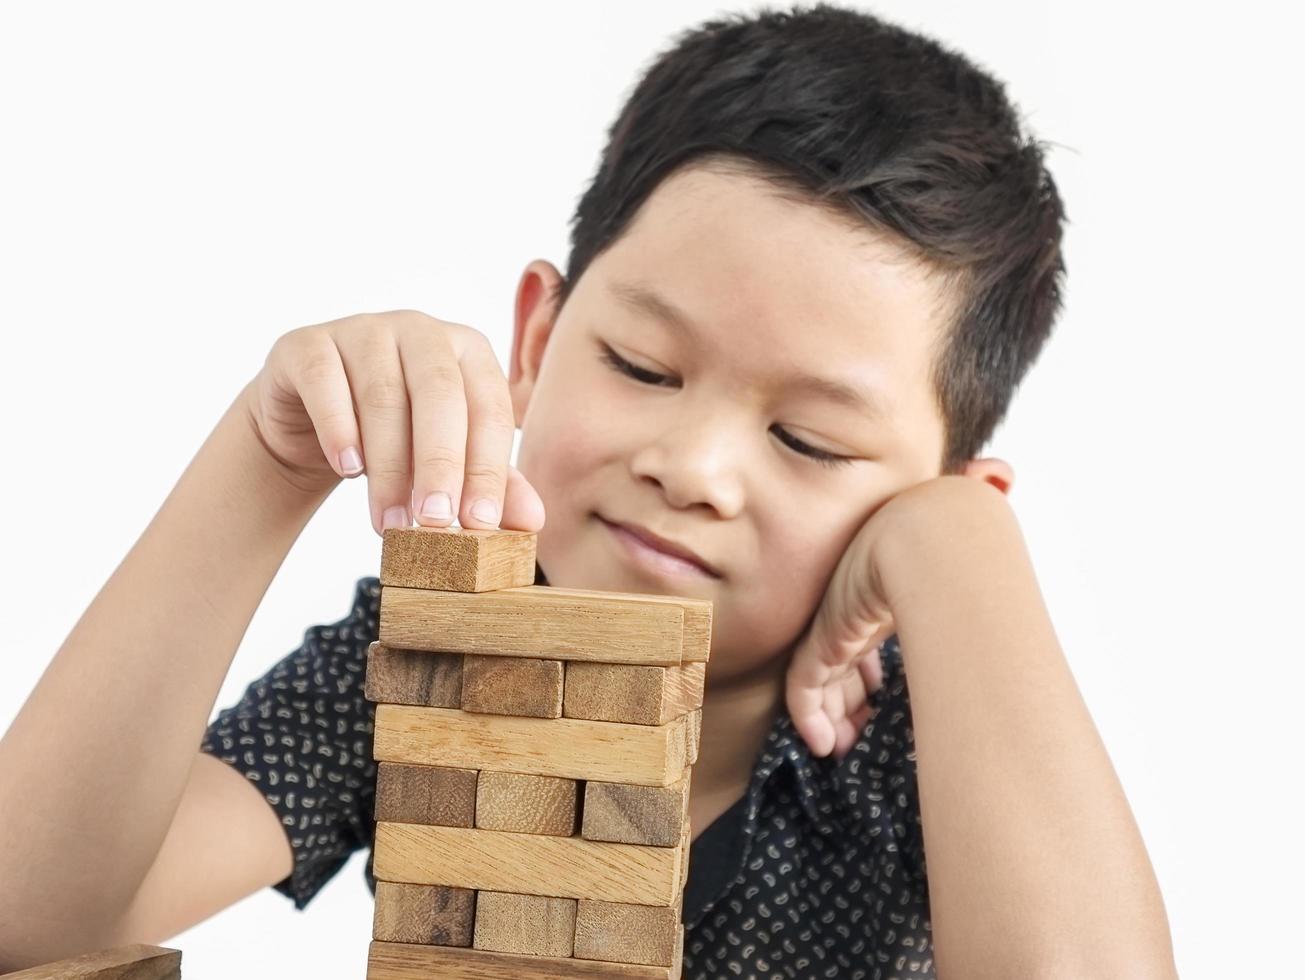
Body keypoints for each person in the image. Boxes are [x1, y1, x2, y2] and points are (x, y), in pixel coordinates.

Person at [0, 4, 1178, 977]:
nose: (692, 466)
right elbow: (29, 924)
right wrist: (267, 459)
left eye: (809, 440)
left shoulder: (919, 743)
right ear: (537, 338)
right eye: (641, 367)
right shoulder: (439, 661)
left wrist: (955, 544)